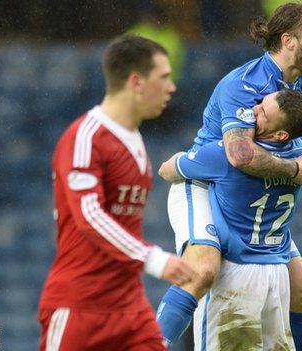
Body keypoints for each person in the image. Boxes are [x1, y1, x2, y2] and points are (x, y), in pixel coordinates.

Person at [155, 3, 302, 350]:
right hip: (205, 182)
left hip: (247, 195)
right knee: (204, 270)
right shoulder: (243, 85)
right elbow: (239, 154)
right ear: (289, 41)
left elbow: (289, 140)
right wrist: (293, 168)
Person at [37, 35, 195, 350]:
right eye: (163, 77)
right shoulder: (85, 136)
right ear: (136, 81)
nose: (171, 86)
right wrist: (154, 259)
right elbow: (89, 215)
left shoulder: (135, 141)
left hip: (129, 308)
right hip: (80, 306)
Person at [160, 89, 302, 350]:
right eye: (260, 104)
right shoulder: (300, 150)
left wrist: (185, 158)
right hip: (277, 274)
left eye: (263, 112)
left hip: (237, 274)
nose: (254, 111)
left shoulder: (225, 156)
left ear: (281, 134)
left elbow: (166, 169)